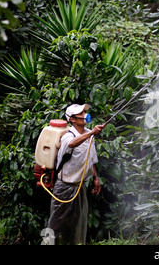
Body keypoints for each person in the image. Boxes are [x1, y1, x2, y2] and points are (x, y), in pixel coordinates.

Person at [47, 103, 104, 245]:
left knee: (78, 222)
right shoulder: (68, 136)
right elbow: (72, 144)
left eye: (85, 112)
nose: (85, 116)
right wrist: (91, 133)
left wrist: (95, 177)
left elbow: (91, 158)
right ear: (72, 119)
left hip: (80, 186)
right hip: (64, 186)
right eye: (81, 114)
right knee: (57, 223)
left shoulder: (89, 134)